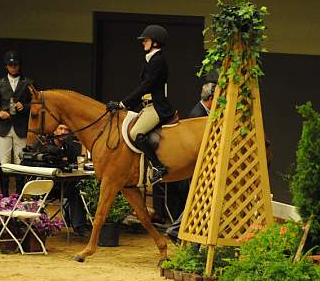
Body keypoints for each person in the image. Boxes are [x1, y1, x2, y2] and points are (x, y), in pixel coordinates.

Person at [106, 24, 176, 185]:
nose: (143, 43)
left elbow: (145, 87)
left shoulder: (158, 61)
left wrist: (123, 104)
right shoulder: (152, 59)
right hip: (147, 105)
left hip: (157, 106)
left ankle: (159, 167)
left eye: (146, 40)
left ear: (155, 42)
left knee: (136, 132)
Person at [165, 80, 217, 243]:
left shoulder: (204, 112)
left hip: (202, 164)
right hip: (197, 165)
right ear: (211, 98)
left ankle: (178, 230)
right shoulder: (198, 115)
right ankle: (176, 229)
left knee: (199, 200)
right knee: (198, 199)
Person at [0, 51, 34, 196]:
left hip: (21, 126)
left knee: (19, 161)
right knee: (4, 162)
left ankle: (19, 195)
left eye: (15, 65)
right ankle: (4, 196)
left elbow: (35, 103)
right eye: (11, 65)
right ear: (6, 66)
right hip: (4, 126)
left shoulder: (28, 83)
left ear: (19, 66)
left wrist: (25, 106)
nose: (13, 67)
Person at [48, 124, 91, 236]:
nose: (63, 132)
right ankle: (77, 224)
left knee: (78, 189)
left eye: (66, 130)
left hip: (65, 184)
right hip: (48, 186)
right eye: (60, 129)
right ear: (54, 131)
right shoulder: (45, 145)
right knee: (74, 190)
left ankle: (78, 224)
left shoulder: (70, 146)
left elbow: (81, 162)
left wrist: (83, 146)